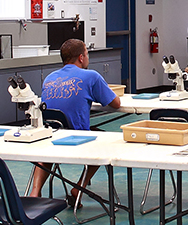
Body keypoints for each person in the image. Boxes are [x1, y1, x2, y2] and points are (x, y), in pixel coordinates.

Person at [28, 39, 121, 206]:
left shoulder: (49, 78)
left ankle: (35, 191)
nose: (87, 58)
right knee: (104, 141)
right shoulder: (91, 76)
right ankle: (79, 187)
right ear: (80, 57)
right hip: (77, 138)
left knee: (47, 153)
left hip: (51, 137)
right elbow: (116, 103)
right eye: (87, 54)